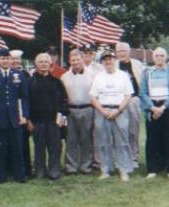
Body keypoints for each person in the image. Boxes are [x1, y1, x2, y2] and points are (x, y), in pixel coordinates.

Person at [0, 48, 29, 183]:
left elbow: (24, 97)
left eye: (8, 58)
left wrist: (24, 115)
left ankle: (19, 175)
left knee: (17, 147)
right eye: (3, 58)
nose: (5, 61)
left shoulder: (18, 75)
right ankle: (1, 176)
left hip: (16, 117)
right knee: (1, 147)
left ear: (11, 60)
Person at [90, 50, 134, 182]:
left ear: (115, 60)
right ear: (102, 62)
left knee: (122, 141)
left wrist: (118, 110)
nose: (108, 62)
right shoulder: (98, 77)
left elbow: (128, 95)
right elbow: (93, 97)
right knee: (103, 142)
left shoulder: (123, 76)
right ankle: (105, 169)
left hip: (119, 111)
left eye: (110, 59)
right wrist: (102, 110)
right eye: (105, 60)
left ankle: (124, 169)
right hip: (102, 111)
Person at [140, 47, 169, 180]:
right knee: (152, 139)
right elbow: (143, 92)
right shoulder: (147, 72)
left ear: (166, 57)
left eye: (162, 55)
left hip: (168, 108)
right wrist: (152, 108)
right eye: (156, 55)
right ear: (153, 57)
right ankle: (152, 169)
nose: (159, 58)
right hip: (152, 107)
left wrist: (162, 108)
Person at [28, 53, 68, 179]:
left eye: (46, 61)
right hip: (37, 121)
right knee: (39, 147)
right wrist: (28, 120)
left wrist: (62, 116)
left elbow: (64, 100)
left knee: (55, 147)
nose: (43, 64)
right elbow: (26, 102)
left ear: (50, 63)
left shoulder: (56, 82)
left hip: (53, 121)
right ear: (36, 64)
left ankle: (54, 170)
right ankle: (39, 170)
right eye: (40, 61)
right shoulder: (30, 82)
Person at [61, 49, 95, 174]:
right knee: (71, 140)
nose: (75, 62)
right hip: (71, 110)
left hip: (87, 109)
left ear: (82, 59)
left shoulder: (92, 75)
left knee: (87, 139)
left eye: (78, 59)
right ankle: (71, 166)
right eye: (72, 60)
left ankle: (86, 166)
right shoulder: (64, 77)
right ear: (69, 61)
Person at [115, 42, 143, 167]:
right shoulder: (114, 65)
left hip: (133, 100)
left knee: (133, 130)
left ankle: (133, 158)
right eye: (119, 51)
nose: (121, 53)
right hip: (117, 101)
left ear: (129, 51)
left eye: (124, 50)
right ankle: (119, 158)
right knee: (119, 130)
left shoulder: (137, 64)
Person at [10, 49, 32, 177]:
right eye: (13, 59)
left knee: (24, 142)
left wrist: (27, 115)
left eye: (17, 59)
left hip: (23, 112)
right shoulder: (7, 73)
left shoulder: (26, 74)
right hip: (11, 112)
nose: (15, 61)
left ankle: (26, 169)